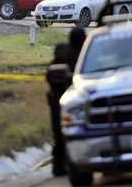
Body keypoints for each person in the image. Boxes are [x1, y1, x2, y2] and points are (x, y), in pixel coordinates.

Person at [46, 27, 87, 176]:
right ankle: (60, 166)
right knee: (61, 134)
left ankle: (60, 165)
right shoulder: (83, 55)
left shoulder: (81, 54)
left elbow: (49, 74)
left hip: (61, 100)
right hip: (64, 100)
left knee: (59, 134)